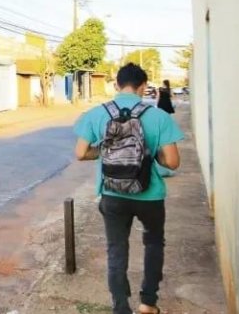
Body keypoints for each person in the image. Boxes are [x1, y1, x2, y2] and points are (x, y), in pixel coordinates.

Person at [73, 63, 183, 314]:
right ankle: (148, 302)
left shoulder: (96, 114)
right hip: (150, 194)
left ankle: (121, 307)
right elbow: (173, 162)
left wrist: (104, 152)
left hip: (112, 194)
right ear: (143, 87)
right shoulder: (158, 116)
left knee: (116, 250)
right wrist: (150, 156)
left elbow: (80, 153)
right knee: (154, 244)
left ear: (116, 85)